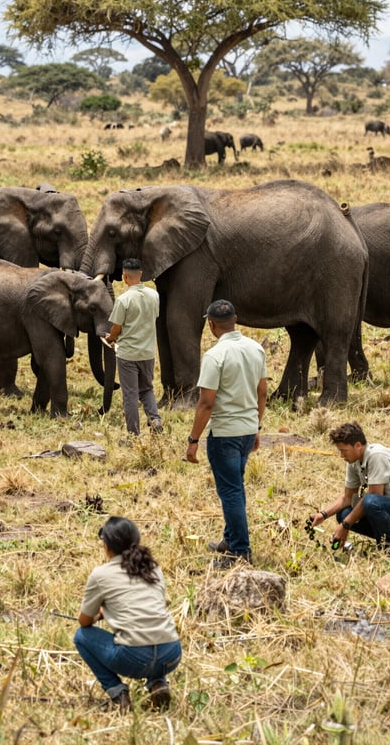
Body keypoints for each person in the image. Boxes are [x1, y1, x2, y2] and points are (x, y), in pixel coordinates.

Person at [186, 299, 267, 568]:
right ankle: (229, 540)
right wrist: (257, 426)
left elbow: (206, 403)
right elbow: (262, 391)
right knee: (236, 486)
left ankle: (240, 552)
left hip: (224, 434)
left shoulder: (215, 355)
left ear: (211, 324)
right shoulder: (256, 348)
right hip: (246, 430)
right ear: (236, 319)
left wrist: (193, 440)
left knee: (230, 491)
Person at [74, 516, 182, 713]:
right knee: (152, 640)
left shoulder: (100, 574)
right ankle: (158, 683)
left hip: (133, 658)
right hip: (171, 652)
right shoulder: (153, 568)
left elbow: (84, 621)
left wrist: (101, 614)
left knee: (81, 637)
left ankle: (118, 694)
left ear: (106, 545)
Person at [309, 421, 390, 549]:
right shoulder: (354, 462)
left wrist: (345, 525)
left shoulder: (377, 456)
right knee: (344, 513)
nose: (341, 455)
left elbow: (375, 495)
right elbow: (347, 497)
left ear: (358, 445)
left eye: (344, 451)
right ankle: (383, 540)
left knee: (370, 502)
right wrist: (323, 515)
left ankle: (388, 547)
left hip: (385, 504)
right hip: (387, 507)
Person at [104, 258, 162, 437]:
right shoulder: (154, 295)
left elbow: (117, 327)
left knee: (130, 394)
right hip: (148, 352)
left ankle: (133, 434)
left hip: (128, 355)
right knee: (147, 389)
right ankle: (155, 420)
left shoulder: (123, 300)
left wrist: (111, 338)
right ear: (141, 274)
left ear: (124, 277)